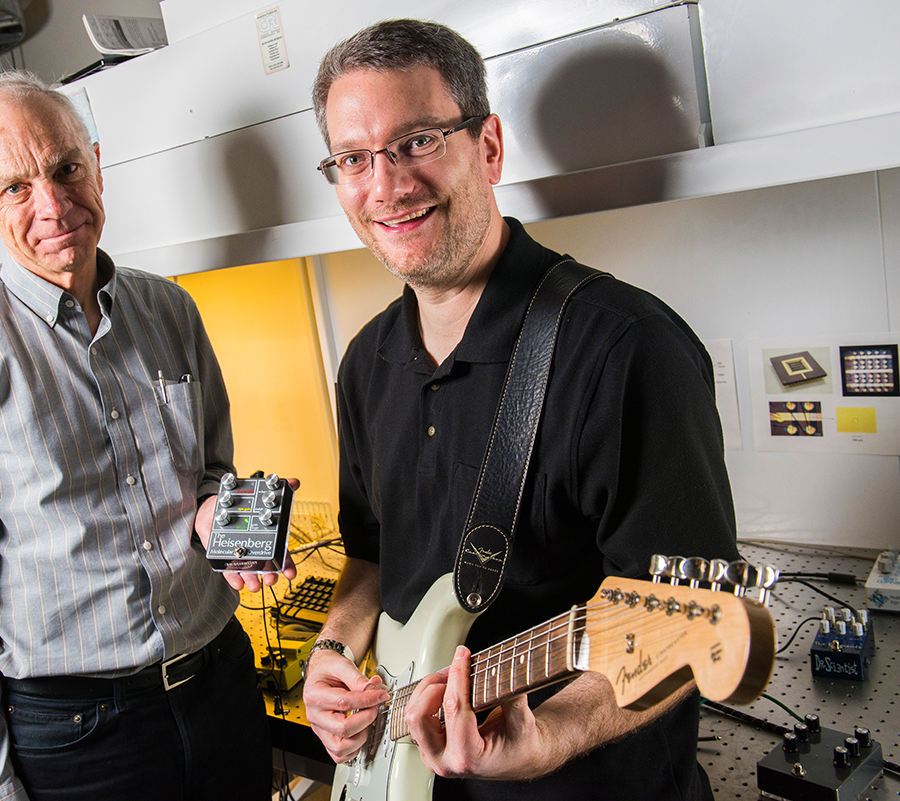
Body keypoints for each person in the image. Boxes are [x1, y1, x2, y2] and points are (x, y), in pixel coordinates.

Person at [300, 19, 740, 801]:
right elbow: (370, 557)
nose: (388, 185)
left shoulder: (626, 349)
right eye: (356, 159)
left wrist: (553, 735)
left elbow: (692, 620)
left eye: (419, 141)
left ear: (489, 147)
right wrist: (332, 652)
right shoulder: (365, 362)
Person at [0, 71, 289, 801]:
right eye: (15, 186)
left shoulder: (170, 309)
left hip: (219, 686)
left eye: (67, 168)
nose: (52, 204)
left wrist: (223, 519)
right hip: (78, 734)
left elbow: (208, 475)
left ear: (97, 165)